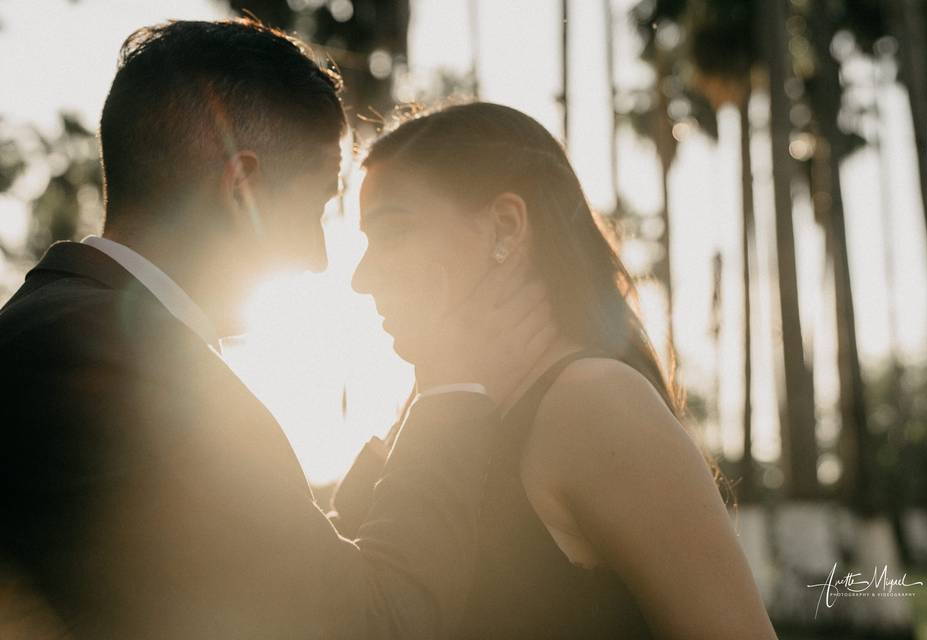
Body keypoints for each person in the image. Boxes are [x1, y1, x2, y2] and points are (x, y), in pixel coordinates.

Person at [0, 21, 555, 639]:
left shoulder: (62, 329)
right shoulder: (132, 374)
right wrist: (454, 384)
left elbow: (287, 572)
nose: (321, 256)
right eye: (317, 203)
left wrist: (397, 435)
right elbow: (374, 623)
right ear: (244, 190)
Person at [342, 102, 780, 639]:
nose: (362, 277)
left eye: (392, 232)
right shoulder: (439, 410)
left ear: (506, 225)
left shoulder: (596, 403)